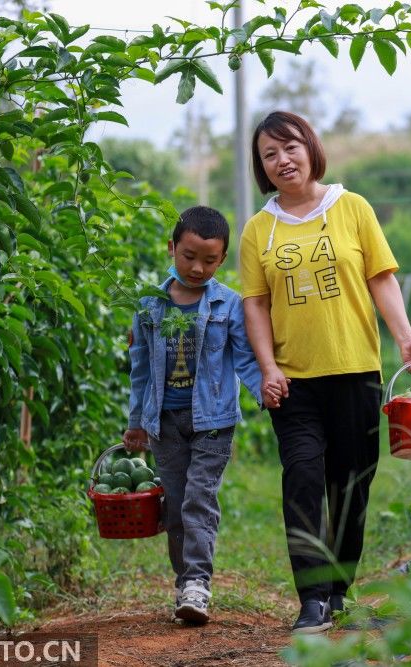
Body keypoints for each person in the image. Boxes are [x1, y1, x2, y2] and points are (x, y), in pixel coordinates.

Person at [239, 111, 411, 634]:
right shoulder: (259, 230)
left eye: (290, 147)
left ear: (311, 148)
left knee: (351, 486)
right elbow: (255, 306)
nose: (282, 161)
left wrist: (405, 338)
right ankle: (313, 597)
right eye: (269, 155)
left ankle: (339, 588)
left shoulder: (352, 209)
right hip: (293, 382)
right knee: (302, 479)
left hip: (355, 372)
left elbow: (381, 279)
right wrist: (266, 367)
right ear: (261, 167)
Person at [124, 205, 267, 625]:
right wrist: (135, 423)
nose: (198, 268)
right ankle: (184, 581)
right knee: (174, 505)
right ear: (171, 248)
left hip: (213, 422)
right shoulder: (149, 305)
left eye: (209, 260)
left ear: (222, 260)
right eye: (188, 256)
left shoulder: (229, 304)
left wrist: (267, 393)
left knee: (198, 499)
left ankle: (197, 585)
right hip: (164, 424)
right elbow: (138, 369)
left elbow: (243, 359)